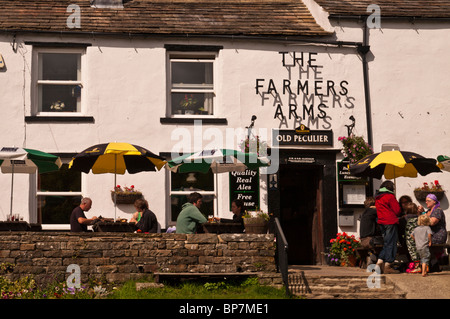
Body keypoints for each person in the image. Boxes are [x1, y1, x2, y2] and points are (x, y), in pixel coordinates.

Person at [374, 180, 402, 273]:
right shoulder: (390, 196)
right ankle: (388, 265)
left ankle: (379, 263)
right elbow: (397, 211)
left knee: (386, 243)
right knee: (391, 243)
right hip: (390, 221)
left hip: (381, 222)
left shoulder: (378, 197)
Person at [404, 202, 421, 273]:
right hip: (419, 238)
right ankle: (422, 266)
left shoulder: (404, 218)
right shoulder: (419, 218)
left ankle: (417, 267)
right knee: (419, 252)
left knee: (413, 252)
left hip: (409, 239)